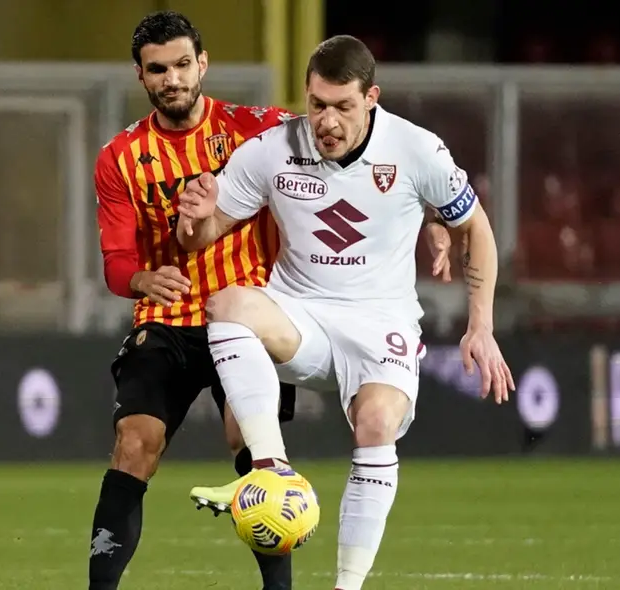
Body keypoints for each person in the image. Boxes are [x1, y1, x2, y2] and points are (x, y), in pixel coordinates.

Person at [89, 11, 453, 590]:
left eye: (183, 64)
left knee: (250, 443)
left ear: (202, 65)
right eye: (158, 70)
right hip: (169, 319)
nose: (172, 79)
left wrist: (434, 217)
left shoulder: (259, 129)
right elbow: (115, 263)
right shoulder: (119, 158)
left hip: (253, 312)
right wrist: (140, 281)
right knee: (135, 442)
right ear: (142, 76)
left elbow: (367, 150)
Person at [176, 35, 514, 590]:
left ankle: (347, 587)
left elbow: (473, 227)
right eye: (316, 104)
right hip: (299, 313)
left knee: (377, 425)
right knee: (228, 303)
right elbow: (204, 235)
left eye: (342, 106)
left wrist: (481, 325)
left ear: (372, 98)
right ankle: (271, 470)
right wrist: (196, 220)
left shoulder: (416, 150)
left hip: (381, 322)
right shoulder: (272, 149)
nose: (326, 121)